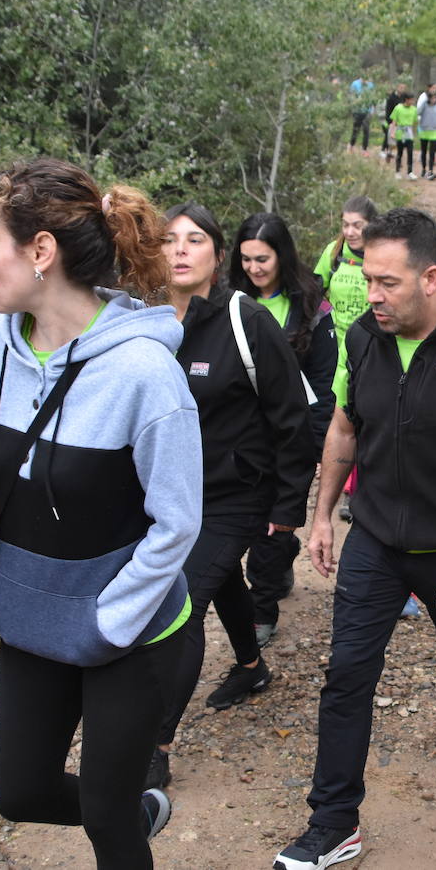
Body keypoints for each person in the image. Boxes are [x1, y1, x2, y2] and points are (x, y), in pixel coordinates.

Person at [0, 157, 200, 867]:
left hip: (129, 626)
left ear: (40, 252)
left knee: (105, 814)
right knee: (22, 793)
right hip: (33, 611)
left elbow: (178, 522)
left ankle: (123, 814)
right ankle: (134, 809)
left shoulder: (144, 374)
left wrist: (110, 619)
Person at [275, 208, 436, 870]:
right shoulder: (361, 340)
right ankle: (334, 823)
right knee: (349, 674)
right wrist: (323, 513)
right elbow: (343, 430)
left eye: (387, 283)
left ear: (431, 278)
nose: (372, 295)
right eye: (366, 280)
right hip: (377, 540)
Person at [146, 205, 315, 792]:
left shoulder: (245, 320)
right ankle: (251, 666)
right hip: (163, 495)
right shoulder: (140, 320)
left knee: (182, 601)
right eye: (169, 240)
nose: (180, 250)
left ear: (218, 256)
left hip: (232, 495)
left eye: (195, 240)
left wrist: (287, 508)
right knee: (221, 583)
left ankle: (156, 744)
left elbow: (293, 417)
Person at [230, 211, 335, 645]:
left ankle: (262, 608)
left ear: (282, 256)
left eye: (263, 259)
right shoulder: (229, 302)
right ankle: (281, 560)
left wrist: (318, 443)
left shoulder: (310, 307)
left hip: (290, 435)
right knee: (251, 525)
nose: (254, 268)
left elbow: (326, 384)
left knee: (272, 527)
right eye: (247, 259)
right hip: (239, 435)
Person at [314, 196, 380, 525]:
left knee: (369, 423)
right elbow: (315, 291)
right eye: (346, 224)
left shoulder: (382, 254)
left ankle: (362, 489)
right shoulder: (334, 254)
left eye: (358, 225)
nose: (351, 231)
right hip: (337, 353)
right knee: (341, 424)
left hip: (375, 352)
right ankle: (345, 489)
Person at [390, 93, 418, 179]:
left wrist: (414, 134)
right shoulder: (398, 108)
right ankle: (397, 171)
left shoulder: (414, 109)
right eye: (411, 100)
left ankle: (410, 172)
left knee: (410, 153)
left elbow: (414, 123)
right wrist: (392, 132)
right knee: (400, 153)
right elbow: (394, 121)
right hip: (400, 133)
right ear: (406, 99)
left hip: (409, 133)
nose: (413, 101)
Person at [417, 89, 436, 180]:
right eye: (432, 98)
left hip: (434, 132)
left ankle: (430, 171)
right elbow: (418, 112)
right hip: (424, 131)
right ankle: (423, 169)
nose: (434, 100)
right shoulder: (424, 106)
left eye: (435, 98)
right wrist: (424, 101)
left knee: (432, 152)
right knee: (424, 151)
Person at [347, 77, 375, 154]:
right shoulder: (355, 84)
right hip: (357, 110)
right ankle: (351, 144)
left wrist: (372, 110)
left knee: (366, 129)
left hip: (367, 111)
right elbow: (351, 96)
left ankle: (364, 149)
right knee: (356, 129)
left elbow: (373, 98)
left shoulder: (371, 85)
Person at [381, 82, 408, 160]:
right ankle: (383, 149)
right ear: (397, 87)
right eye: (401, 87)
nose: (402, 89)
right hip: (391, 119)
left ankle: (390, 152)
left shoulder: (403, 97)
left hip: (400, 120)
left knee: (396, 137)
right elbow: (388, 110)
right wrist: (389, 121)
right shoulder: (391, 97)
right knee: (388, 135)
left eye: (403, 88)